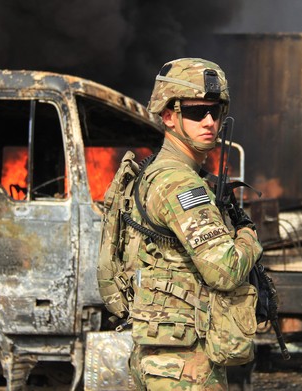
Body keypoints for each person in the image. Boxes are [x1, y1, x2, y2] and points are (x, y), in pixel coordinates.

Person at [126, 57, 263, 390]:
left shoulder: (153, 173)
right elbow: (225, 269)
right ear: (169, 116)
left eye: (215, 112)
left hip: (166, 357)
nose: (209, 122)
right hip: (185, 367)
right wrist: (248, 238)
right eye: (195, 112)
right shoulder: (179, 183)